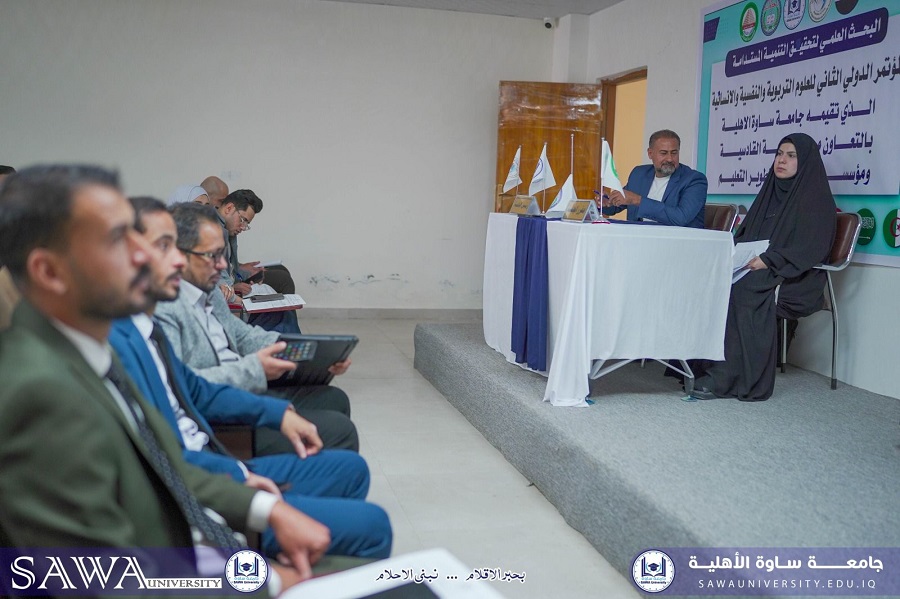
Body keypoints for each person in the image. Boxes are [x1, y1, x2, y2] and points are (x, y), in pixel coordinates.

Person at [0, 165, 329, 590]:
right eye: (120, 243)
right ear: (50, 272)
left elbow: (162, 459)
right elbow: (103, 580)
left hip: (201, 535)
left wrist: (263, 509)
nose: (168, 260)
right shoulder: (39, 391)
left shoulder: (95, 345)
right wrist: (264, 584)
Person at [109, 196, 391, 560]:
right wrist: (247, 487)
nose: (222, 266)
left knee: (346, 453)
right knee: (370, 517)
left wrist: (303, 357)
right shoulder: (127, 336)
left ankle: (309, 538)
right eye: (165, 249)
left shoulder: (145, 326)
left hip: (214, 452)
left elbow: (197, 384)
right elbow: (165, 461)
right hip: (215, 458)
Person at [156, 202, 359, 455]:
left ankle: (311, 468)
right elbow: (184, 387)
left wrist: (307, 353)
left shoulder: (207, 289)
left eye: (222, 254)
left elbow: (242, 334)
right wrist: (255, 369)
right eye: (211, 256)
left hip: (242, 388)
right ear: (177, 255)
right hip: (222, 415)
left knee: (334, 399)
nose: (222, 266)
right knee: (340, 430)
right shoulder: (163, 309)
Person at [690, 133, 836, 401]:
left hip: (796, 277)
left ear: (805, 162)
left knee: (745, 290)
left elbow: (811, 249)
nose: (782, 160)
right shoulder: (769, 193)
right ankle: (698, 365)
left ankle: (729, 378)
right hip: (757, 266)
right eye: (779, 154)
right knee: (711, 281)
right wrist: (733, 256)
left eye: (791, 156)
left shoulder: (816, 200)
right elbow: (745, 236)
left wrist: (769, 260)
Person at [601, 130, 707, 228]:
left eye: (674, 153)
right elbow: (619, 204)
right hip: (639, 237)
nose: (670, 159)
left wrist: (638, 200)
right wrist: (606, 203)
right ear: (650, 153)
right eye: (663, 153)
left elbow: (681, 218)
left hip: (677, 240)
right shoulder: (639, 174)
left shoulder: (694, 180)